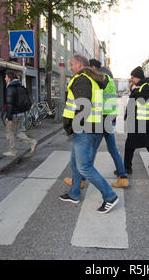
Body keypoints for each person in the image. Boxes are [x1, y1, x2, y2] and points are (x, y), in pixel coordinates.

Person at [60, 54, 119, 214]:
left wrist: (70, 126)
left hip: (85, 129)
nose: (70, 67)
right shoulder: (91, 79)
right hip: (91, 127)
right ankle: (74, 194)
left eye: (71, 64)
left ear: (79, 64)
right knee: (75, 163)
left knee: (84, 167)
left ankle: (109, 196)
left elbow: (82, 106)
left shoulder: (82, 79)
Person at [64, 59, 129, 189]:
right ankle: (123, 177)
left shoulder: (94, 80)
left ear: (93, 67)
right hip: (110, 118)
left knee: (90, 152)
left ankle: (81, 180)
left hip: (99, 119)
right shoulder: (109, 81)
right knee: (113, 149)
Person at [3, 72, 37, 157]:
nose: (5, 79)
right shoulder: (21, 87)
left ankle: (12, 151)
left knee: (9, 132)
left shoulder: (10, 88)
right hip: (21, 114)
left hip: (13, 114)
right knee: (18, 132)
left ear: (10, 78)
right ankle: (32, 142)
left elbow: (10, 104)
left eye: (6, 77)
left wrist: (9, 118)